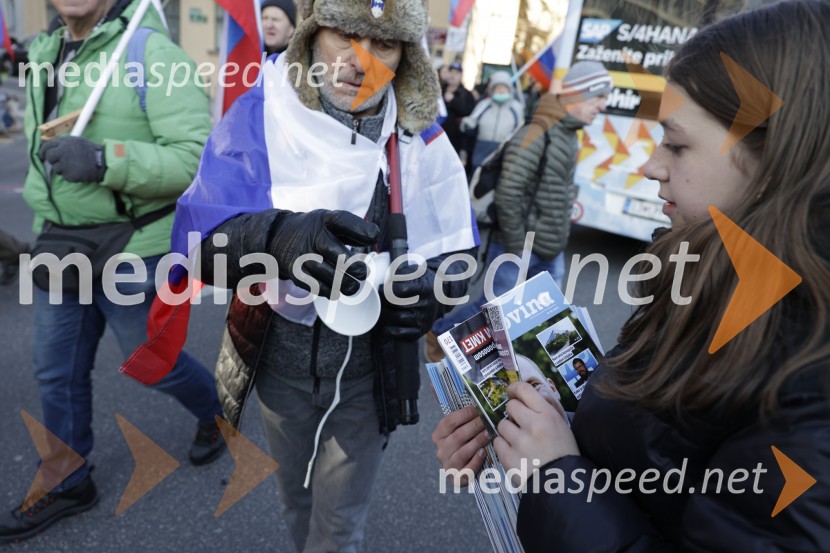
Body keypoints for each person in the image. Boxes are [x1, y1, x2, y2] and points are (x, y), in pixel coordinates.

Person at [433, 1, 830, 550]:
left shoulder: (809, 386)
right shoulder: (704, 270)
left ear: (779, 157)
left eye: (677, 143)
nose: (650, 166)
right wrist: (534, 429)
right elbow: (644, 448)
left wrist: (554, 479)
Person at [158, 1, 478, 551]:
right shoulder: (260, 113)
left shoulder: (422, 142)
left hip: (366, 379)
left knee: (339, 529)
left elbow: (457, 261)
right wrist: (277, 237)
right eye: (345, 35)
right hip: (277, 368)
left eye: (383, 44)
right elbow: (198, 246)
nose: (361, 60)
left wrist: (428, 296)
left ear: (405, 57)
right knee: (295, 502)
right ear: (312, 37)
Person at [0, 0, 224, 543]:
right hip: (62, 242)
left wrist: (104, 160)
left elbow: (197, 159)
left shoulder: (150, 52)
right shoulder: (46, 51)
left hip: (132, 248)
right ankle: (69, 477)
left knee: (152, 363)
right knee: (54, 370)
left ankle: (216, 411)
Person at [425, 61, 611, 361]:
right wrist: (516, 244)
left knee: (542, 309)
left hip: (550, 245)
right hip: (521, 243)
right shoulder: (538, 131)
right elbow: (509, 191)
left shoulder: (567, 134)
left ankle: (522, 366)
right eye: (598, 97)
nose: (602, 106)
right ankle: (440, 332)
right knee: (496, 308)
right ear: (577, 94)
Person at [461, 70, 525, 170]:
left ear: (509, 89)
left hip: (505, 154)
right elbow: (470, 123)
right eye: (497, 87)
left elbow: (521, 131)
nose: (501, 90)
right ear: (492, 89)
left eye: (504, 87)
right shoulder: (484, 105)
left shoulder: (516, 108)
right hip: (481, 153)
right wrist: (465, 124)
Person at [440, 61, 476, 158]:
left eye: (456, 73)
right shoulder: (440, 90)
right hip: (437, 134)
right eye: (451, 72)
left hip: (456, 140)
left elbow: (468, 113)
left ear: (461, 76)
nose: (453, 75)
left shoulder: (466, 94)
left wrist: (453, 101)